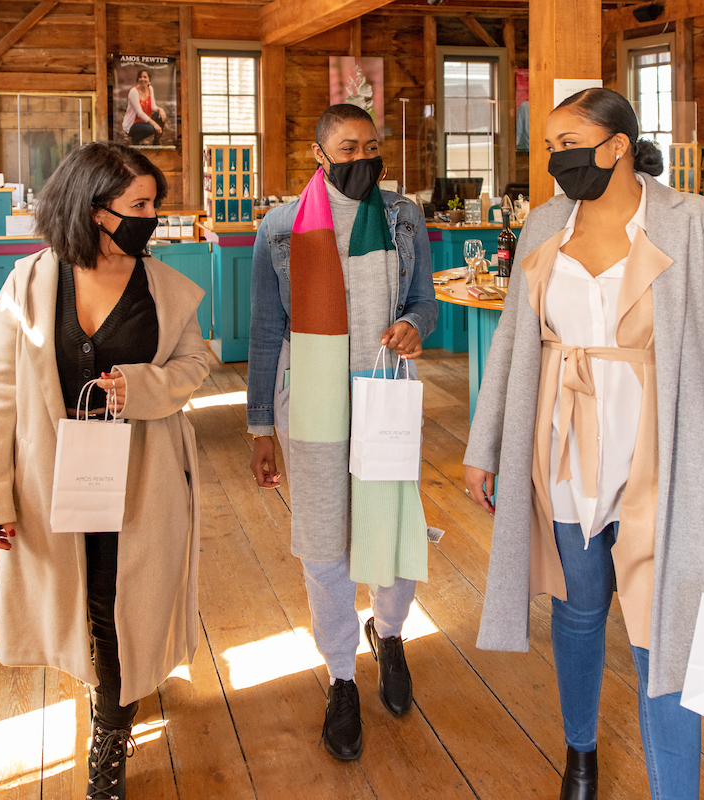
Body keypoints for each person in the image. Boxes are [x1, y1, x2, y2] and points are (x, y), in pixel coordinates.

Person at [463, 88, 704, 800]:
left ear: (617, 145)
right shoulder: (543, 223)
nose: (553, 158)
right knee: (577, 606)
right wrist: (486, 446)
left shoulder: (695, 224)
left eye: (567, 142)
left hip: (663, 455)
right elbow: (513, 342)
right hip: (562, 449)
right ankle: (580, 751)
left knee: (664, 628)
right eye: (547, 147)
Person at [0, 141, 208, 799]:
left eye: (152, 203)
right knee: (83, 602)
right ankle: (114, 700)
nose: (151, 216)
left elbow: (195, 366)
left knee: (120, 602)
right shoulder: (29, 283)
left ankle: (109, 734)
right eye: (139, 204)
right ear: (93, 207)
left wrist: (144, 386)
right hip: (52, 483)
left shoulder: (164, 286)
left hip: (145, 482)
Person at [247, 103, 439, 761]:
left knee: (389, 526)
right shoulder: (279, 229)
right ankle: (340, 676)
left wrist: (416, 325)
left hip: (386, 395)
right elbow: (267, 331)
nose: (364, 157)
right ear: (320, 156)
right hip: (312, 405)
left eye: (373, 145)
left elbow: (426, 304)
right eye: (349, 147)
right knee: (325, 542)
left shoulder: (402, 217)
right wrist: (257, 428)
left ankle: (388, 634)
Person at [122, 68, 167, 146]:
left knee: (160, 117)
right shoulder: (134, 91)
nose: (142, 79)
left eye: (145, 77)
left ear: (149, 79)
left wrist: (160, 109)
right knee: (152, 128)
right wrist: (155, 125)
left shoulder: (150, 89)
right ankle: (135, 140)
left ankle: (156, 141)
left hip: (144, 121)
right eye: (140, 77)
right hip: (133, 123)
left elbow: (153, 106)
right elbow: (139, 113)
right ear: (137, 79)